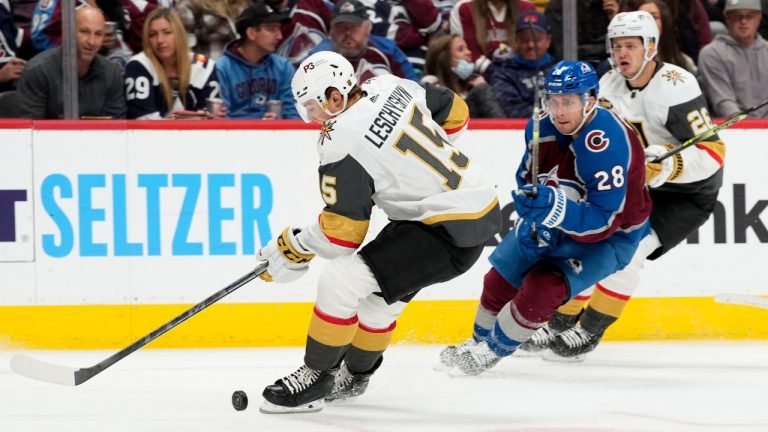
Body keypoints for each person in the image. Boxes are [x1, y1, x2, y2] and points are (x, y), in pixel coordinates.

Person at [257, 50, 500, 413]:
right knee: (378, 301)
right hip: (474, 209)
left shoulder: (338, 140)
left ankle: (317, 375)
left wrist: (295, 244)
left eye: (311, 106)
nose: (310, 118)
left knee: (340, 280)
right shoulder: (389, 84)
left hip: (443, 228)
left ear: (335, 97)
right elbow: (456, 112)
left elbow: (342, 236)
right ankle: (355, 376)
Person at [523, 11, 725, 360]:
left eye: (630, 46)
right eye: (616, 46)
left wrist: (666, 164)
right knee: (584, 243)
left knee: (629, 254)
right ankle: (558, 323)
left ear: (650, 46)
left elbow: (713, 152)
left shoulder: (678, 85)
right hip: (637, 188)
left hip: (686, 194)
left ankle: (587, 333)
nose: (621, 54)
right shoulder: (610, 84)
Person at [438, 60, 652, 375]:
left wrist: (555, 212)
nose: (560, 110)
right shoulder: (540, 127)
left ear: (589, 100)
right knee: (500, 275)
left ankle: (491, 352)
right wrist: (534, 209)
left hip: (612, 236)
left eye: (568, 102)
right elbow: (527, 178)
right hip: (557, 218)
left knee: (543, 286)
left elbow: (606, 219)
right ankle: (476, 341)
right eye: (554, 101)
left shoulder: (606, 141)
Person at [16, 6, 126, 119]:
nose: (91, 42)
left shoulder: (112, 73)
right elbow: (30, 131)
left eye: (98, 34)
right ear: (68, 31)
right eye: (84, 31)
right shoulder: (37, 71)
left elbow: (116, 128)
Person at [123, 7, 221, 119]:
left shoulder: (205, 67)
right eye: (152, 34)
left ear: (179, 35)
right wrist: (193, 120)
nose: (160, 40)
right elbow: (144, 121)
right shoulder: (138, 66)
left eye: (167, 32)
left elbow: (211, 121)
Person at [215, 0, 299, 119]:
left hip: (277, 136)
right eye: (271, 29)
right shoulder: (222, 68)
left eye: (278, 29)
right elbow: (221, 119)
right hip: (234, 136)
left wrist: (279, 124)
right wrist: (259, 126)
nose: (279, 36)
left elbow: (294, 116)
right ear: (251, 33)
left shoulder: (283, 67)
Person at [309, 0, 418, 82]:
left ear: (368, 27)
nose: (347, 33)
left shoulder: (387, 49)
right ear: (331, 31)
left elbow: (414, 86)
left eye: (354, 27)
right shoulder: (317, 57)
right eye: (341, 27)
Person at [699, 0, 768, 118]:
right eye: (737, 16)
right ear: (727, 17)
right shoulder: (712, 53)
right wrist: (751, 129)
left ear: (759, 17)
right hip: (732, 129)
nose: (743, 21)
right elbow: (723, 103)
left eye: (750, 15)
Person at [485, 10, 556, 118]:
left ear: (548, 41)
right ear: (516, 41)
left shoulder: (560, 70)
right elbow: (515, 112)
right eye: (524, 40)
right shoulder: (503, 74)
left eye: (536, 39)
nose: (531, 45)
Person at [422, 34, 506, 118]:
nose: (469, 52)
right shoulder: (431, 88)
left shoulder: (473, 86)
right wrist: (482, 91)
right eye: (461, 49)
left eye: (467, 48)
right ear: (444, 58)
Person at [450, 0, 537, 74]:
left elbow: (531, 47)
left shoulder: (527, 7)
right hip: (480, 75)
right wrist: (493, 72)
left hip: (521, 73)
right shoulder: (464, 8)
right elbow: (469, 52)